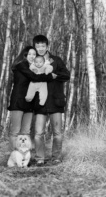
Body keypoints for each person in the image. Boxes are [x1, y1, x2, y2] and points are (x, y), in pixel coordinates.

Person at [7, 46, 55, 151]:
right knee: (15, 131)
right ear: (24, 55)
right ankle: (12, 155)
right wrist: (50, 76)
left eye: (34, 54)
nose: (32, 56)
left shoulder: (33, 66)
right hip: (18, 101)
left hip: (29, 102)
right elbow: (34, 77)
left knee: (26, 131)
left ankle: (24, 155)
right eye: (30, 54)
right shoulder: (21, 65)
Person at [32, 35, 70, 166]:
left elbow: (67, 75)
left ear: (47, 46)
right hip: (39, 103)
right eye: (38, 46)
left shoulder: (57, 60)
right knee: (38, 133)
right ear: (34, 47)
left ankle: (56, 157)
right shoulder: (32, 62)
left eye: (43, 46)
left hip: (55, 101)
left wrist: (56, 76)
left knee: (57, 133)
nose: (40, 49)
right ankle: (39, 158)